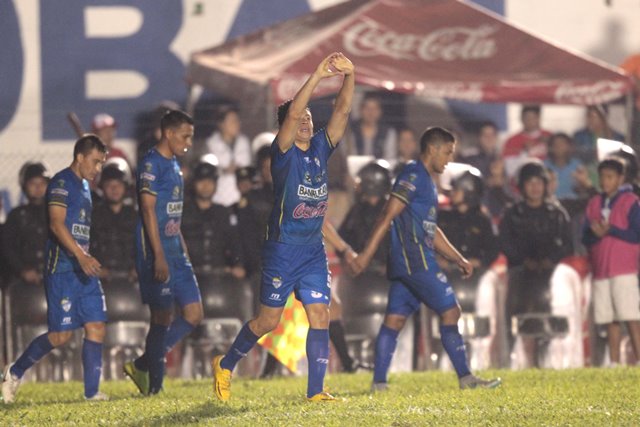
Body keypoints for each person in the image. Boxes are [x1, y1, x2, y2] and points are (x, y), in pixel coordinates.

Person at [211, 52, 355, 402]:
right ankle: (225, 364)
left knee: (320, 313)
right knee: (267, 322)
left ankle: (316, 391)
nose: (306, 121)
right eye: (300, 119)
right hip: (282, 249)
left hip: (312, 251)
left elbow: (342, 112)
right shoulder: (282, 153)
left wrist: (350, 76)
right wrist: (320, 74)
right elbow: (292, 112)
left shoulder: (321, 147)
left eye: (308, 117)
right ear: (286, 128)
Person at [351, 127, 501, 391]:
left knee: (394, 320)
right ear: (432, 149)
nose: (448, 159)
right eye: (447, 152)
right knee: (451, 311)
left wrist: (458, 258)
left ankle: (379, 383)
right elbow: (387, 214)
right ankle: (466, 379)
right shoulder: (413, 175)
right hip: (416, 260)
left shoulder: (427, 181)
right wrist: (365, 254)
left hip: (407, 262)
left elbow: (432, 229)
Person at [2, 135, 108, 402]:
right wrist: (81, 256)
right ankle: (14, 372)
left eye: (101, 164)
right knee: (60, 336)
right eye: (95, 162)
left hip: (84, 268)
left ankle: (91, 393)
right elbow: (56, 225)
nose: (98, 169)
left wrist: (87, 257)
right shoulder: (61, 182)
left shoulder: (86, 187)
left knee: (96, 326)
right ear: (80, 157)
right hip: (62, 268)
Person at [123, 110, 203, 396]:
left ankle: (143, 363)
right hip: (154, 250)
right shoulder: (151, 164)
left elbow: (172, 213)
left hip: (175, 250)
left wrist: (182, 247)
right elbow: (147, 211)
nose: (189, 142)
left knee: (194, 313)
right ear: (168, 133)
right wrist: (158, 254)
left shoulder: (175, 165)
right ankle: (154, 387)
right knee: (162, 317)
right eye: (185, 136)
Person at [499, 160, 573, 368]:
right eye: (530, 182)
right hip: (520, 273)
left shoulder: (557, 213)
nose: (535, 187)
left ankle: (545, 358)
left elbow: (566, 244)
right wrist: (523, 261)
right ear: (522, 186)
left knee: (549, 311)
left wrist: (550, 260)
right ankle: (510, 359)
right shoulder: (512, 213)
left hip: (550, 275)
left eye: (539, 182)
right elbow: (505, 242)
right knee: (513, 310)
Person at [583, 158, 640, 366]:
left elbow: (636, 234)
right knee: (610, 319)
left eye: (610, 177)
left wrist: (611, 230)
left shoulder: (631, 202)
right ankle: (614, 362)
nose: (605, 182)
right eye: (602, 177)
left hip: (624, 268)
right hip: (601, 270)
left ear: (620, 178)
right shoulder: (595, 203)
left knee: (630, 316)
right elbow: (585, 238)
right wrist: (595, 234)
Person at [181, 158, 245, 278]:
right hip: (189, 275)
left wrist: (238, 265)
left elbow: (234, 241)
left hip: (219, 274)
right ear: (194, 183)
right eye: (201, 181)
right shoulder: (183, 212)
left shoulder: (223, 212)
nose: (206, 186)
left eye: (210, 182)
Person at [2, 162, 50, 287]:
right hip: (24, 281)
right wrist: (23, 270)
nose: (38, 187)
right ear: (24, 187)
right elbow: (7, 247)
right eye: (33, 183)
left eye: (42, 183)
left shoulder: (59, 214)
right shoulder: (16, 216)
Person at [90, 158, 137, 282]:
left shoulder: (136, 215)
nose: (114, 189)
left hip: (132, 281)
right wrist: (95, 268)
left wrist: (139, 268)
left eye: (118, 184)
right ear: (102, 188)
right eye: (109, 185)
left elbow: (146, 248)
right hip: (100, 281)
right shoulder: (93, 216)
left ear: (126, 186)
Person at [206, 106, 252, 207]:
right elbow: (207, 172)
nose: (236, 124)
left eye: (237, 121)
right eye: (232, 121)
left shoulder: (244, 142)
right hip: (219, 198)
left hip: (241, 198)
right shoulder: (211, 144)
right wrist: (225, 170)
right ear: (221, 124)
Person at [502, 105, 551, 179]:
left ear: (539, 118)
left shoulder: (550, 137)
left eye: (533, 117)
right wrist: (525, 152)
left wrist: (550, 145)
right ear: (521, 118)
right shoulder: (512, 141)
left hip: (547, 183)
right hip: (519, 185)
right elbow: (509, 170)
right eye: (526, 118)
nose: (530, 121)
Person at [346, 92, 397, 161]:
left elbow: (390, 158)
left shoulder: (388, 132)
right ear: (361, 110)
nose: (371, 112)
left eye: (375, 108)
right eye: (367, 108)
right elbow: (349, 156)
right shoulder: (351, 131)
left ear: (380, 111)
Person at [543, 133, 584, 200]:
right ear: (550, 147)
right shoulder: (544, 165)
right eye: (555, 144)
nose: (558, 147)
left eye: (562, 144)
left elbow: (583, 189)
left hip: (573, 203)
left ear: (569, 146)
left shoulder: (577, 165)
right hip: (551, 203)